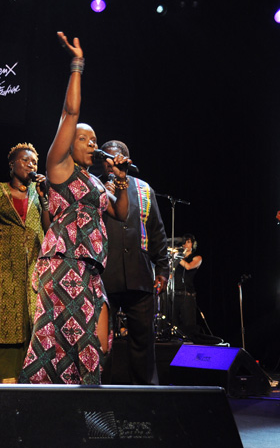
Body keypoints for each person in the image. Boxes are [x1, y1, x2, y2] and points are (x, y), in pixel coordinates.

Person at [19, 32, 131, 385]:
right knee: (58, 341)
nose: (91, 143)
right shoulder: (59, 168)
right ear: (69, 143)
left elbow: (121, 213)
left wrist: (121, 180)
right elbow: (71, 111)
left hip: (91, 268)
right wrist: (77, 65)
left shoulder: (95, 182)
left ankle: (84, 404)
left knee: (96, 340)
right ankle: (42, 406)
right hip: (63, 262)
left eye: (94, 140)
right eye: (83, 138)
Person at [0, 142, 49, 389]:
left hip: (37, 267)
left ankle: (33, 381)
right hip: (5, 267)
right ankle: (3, 384)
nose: (31, 165)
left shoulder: (40, 192)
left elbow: (49, 228)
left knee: (35, 323)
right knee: (6, 324)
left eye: (34, 162)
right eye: (25, 160)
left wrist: (45, 198)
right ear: (12, 164)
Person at [99, 140, 169, 385]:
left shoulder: (144, 189)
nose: (111, 163)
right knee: (102, 342)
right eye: (106, 158)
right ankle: (98, 394)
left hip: (139, 275)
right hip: (104, 275)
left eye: (116, 158)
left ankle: (145, 394)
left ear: (126, 160)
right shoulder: (94, 186)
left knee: (142, 340)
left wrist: (163, 269)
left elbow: (157, 231)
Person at [172, 233, 202, 337]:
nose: (185, 244)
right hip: (175, 294)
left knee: (188, 325)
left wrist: (177, 256)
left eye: (188, 242)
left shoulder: (197, 258)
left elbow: (188, 267)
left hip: (187, 295)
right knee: (174, 324)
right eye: (184, 242)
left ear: (193, 244)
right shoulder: (178, 259)